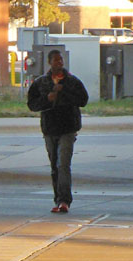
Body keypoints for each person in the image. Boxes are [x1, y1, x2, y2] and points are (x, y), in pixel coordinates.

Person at [27, 50, 89, 213]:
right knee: (55, 166)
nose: (59, 63)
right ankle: (57, 198)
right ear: (49, 62)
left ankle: (64, 201)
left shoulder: (72, 81)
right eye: (55, 60)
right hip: (50, 129)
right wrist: (48, 99)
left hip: (68, 128)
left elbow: (83, 100)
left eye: (60, 60)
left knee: (63, 164)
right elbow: (32, 104)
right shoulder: (41, 83)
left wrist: (64, 92)